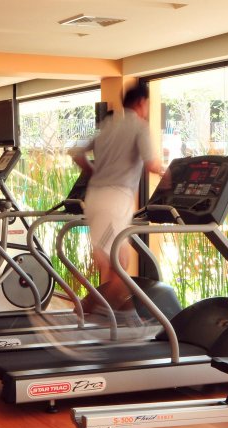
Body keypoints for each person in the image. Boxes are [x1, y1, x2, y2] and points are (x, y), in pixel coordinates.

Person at [71, 83, 164, 319]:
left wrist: (93, 170)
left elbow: (76, 152)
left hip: (94, 197)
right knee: (119, 261)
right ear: (141, 102)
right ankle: (105, 311)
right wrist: (169, 172)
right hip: (116, 198)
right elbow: (151, 164)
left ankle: (105, 310)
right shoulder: (140, 127)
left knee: (112, 258)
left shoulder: (107, 125)